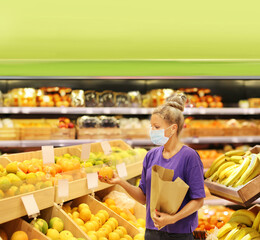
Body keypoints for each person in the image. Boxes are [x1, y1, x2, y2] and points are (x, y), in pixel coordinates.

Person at [99, 93, 205, 240]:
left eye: (156, 127)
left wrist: (172, 219)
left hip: (179, 234)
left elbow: (198, 200)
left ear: (173, 129)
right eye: (151, 126)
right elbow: (143, 198)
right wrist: (120, 181)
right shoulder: (151, 156)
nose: (152, 131)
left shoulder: (189, 157)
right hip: (152, 232)